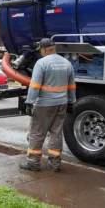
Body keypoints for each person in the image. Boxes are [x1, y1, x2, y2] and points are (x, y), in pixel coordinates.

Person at [19, 38, 76, 172]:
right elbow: (72, 86)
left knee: (37, 133)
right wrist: (71, 102)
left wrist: (29, 102)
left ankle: (33, 163)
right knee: (56, 133)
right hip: (61, 103)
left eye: (41, 50)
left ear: (44, 50)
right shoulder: (67, 63)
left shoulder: (41, 63)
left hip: (44, 104)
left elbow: (35, 86)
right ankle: (55, 164)